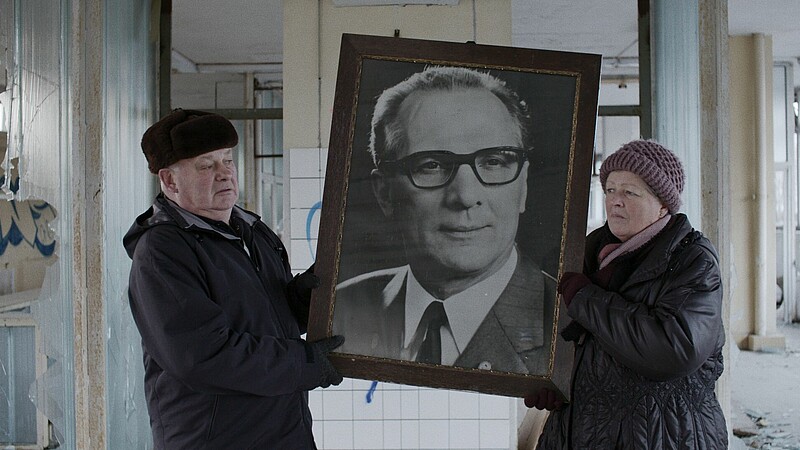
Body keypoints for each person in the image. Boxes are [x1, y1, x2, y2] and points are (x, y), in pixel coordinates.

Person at [123, 108, 344, 450]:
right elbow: (202, 356)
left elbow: (261, 318)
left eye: (228, 160)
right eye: (206, 165)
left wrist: (301, 299)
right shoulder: (163, 251)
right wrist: (303, 363)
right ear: (169, 181)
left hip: (284, 433)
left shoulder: (252, 230)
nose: (224, 173)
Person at [332, 66, 556, 374]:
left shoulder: (570, 324)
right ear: (384, 193)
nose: (464, 197)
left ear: (524, 186)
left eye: (493, 162)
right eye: (432, 165)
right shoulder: (339, 309)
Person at [526, 139, 727, 449]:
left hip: (662, 435)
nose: (615, 201)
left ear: (663, 204)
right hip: (579, 432)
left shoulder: (691, 260)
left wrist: (586, 298)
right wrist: (553, 378)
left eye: (630, 192)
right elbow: (572, 337)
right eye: (609, 190)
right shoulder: (587, 252)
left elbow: (675, 348)